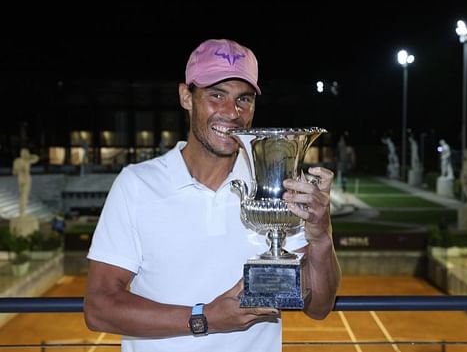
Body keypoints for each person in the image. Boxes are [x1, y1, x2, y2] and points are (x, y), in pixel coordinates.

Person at [83, 38, 341, 352]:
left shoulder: (279, 186)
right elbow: (99, 307)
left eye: (243, 99)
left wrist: (321, 236)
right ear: (186, 97)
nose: (232, 112)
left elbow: (319, 307)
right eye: (216, 95)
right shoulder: (136, 184)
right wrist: (205, 318)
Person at [12, 148, 39, 216]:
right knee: (24, 196)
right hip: (24, 179)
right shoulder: (22, 161)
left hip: (23, 178)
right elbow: (14, 172)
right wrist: (21, 168)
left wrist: (28, 156)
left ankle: (22, 212)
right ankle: (22, 212)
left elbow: (36, 158)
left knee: (23, 196)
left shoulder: (25, 161)